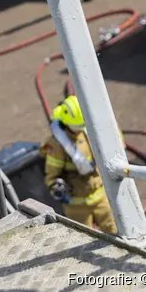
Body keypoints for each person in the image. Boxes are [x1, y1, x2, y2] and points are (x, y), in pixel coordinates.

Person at [40, 95, 117, 235]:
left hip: (101, 196)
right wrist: (56, 188)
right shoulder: (57, 145)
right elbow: (51, 175)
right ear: (66, 123)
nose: (79, 129)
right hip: (77, 204)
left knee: (116, 233)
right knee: (85, 240)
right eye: (76, 127)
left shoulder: (88, 133)